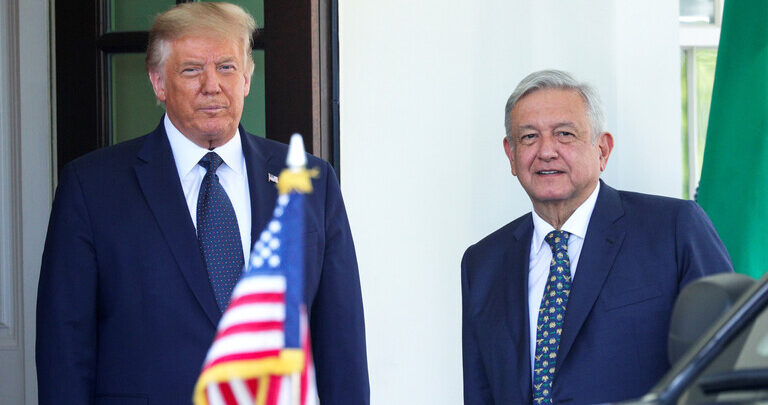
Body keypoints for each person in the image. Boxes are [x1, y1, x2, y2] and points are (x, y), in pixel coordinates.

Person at [36, 3, 369, 404]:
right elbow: (64, 349)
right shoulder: (92, 187)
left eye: (226, 67)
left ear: (246, 78)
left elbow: (342, 344)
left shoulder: (311, 181)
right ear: (158, 83)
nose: (212, 85)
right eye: (192, 70)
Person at [461, 69, 733, 404]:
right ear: (511, 155)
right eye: (529, 137)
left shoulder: (674, 229)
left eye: (564, 134)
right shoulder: (482, 264)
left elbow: (726, 365)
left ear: (602, 149)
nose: (546, 151)